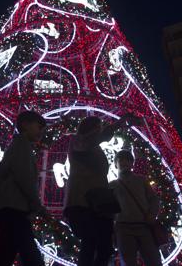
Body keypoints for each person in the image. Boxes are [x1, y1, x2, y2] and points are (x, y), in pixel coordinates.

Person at [64, 113, 141, 266]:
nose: (101, 130)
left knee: (104, 248)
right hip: (84, 202)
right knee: (91, 243)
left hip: (100, 204)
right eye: (98, 127)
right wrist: (119, 123)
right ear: (90, 129)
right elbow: (92, 140)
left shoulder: (94, 147)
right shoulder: (78, 141)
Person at [0, 110, 47, 266]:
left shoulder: (19, 145)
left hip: (9, 206)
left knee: (5, 252)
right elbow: (24, 177)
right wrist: (36, 203)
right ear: (25, 125)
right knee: (30, 253)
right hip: (14, 207)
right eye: (39, 126)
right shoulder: (21, 146)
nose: (41, 131)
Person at [110, 150, 162, 266]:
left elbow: (154, 199)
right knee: (128, 262)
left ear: (132, 163)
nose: (124, 162)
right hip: (123, 229)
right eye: (121, 160)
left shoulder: (141, 180)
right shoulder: (112, 185)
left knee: (154, 260)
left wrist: (152, 215)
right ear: (115, 164)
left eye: (128, 160)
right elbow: (108, 209)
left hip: (144, 226)